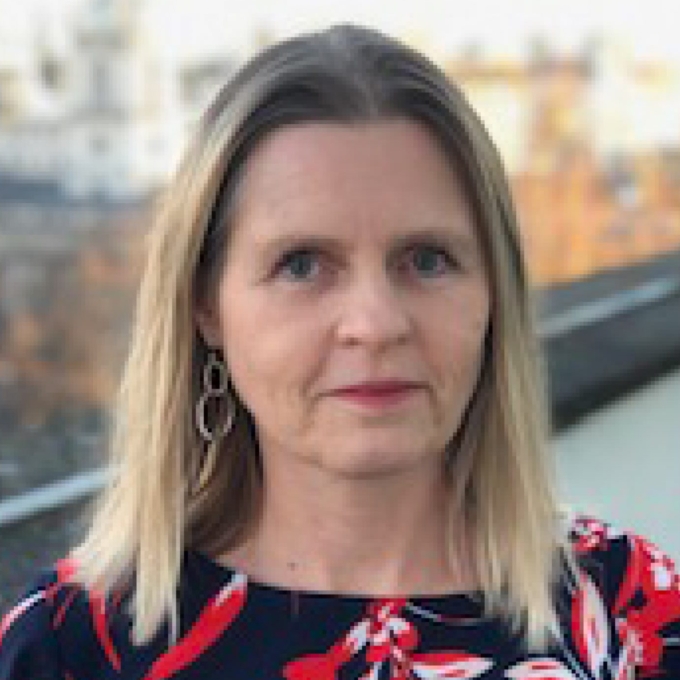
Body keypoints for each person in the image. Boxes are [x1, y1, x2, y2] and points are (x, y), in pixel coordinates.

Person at [1, 24, 679, 680]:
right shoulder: (70, 649)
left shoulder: (635, 619)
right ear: (205, 305)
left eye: (427, 259)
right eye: (302, 265)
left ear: (494, 294)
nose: (375, 324)